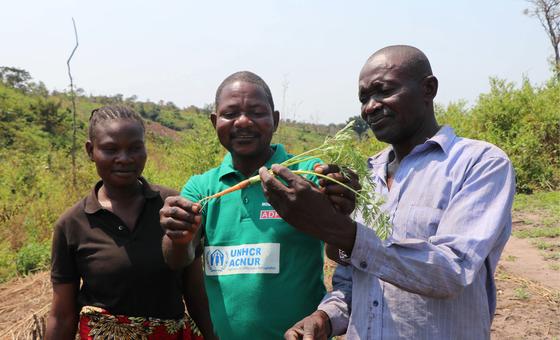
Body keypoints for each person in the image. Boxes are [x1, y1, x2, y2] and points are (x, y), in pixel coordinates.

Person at [259, 45, 516, 339]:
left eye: (383, 91)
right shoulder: (366, 176)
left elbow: (452, 271)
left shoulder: (479, 163)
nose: (370, 106)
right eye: (364, 98)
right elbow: (352, 277)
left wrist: (338, 229)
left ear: (428, 89)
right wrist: (325, 318)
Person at [160, 71, 353, 340]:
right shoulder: (202, 187)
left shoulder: (306, 175)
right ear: (215, 122)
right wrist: (178, 236)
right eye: (230, 114)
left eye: (256, 112)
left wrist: (340, 212)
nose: (243, 122)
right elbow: (177, 259)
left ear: (274, 120)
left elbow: (337, 253)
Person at [46, 105, 214, 340]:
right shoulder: (72, 224)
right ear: (90, 150)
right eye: (110, 149)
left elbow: (196, 295)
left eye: (135, 148)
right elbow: (62, 315)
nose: (124, 159)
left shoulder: (173, 208)